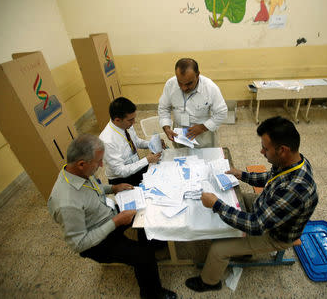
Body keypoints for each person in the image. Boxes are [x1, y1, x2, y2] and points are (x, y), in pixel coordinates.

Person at [185, 116, 318, 292]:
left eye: (265, 148)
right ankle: (244, 250)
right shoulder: (294, 161)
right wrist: (242, 175)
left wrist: (216, 205)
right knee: (231, 199)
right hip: (270, 206)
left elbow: (256, 225)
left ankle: (209, 282)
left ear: (283, 150)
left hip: (276, 234)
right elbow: (271, 177)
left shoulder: (294, 189)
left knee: (218, 249)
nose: (261, 151)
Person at [48, 134, 177, 299]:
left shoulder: (75, 172)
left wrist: (113, 188)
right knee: (143, 257)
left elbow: (94, 189)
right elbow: (79, 244)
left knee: (147, 210)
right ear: (81, 164)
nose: (102, 165)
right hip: (97, 241)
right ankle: (152, 294)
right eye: (99, 162)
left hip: (106, 214)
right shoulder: (67, 203)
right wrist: (116, 222)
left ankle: (155, 244)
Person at [158, 58, 228, 148]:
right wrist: (166, 128)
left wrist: (202, 127)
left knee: (204, 160)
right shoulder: (170, 85)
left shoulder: (210, 87)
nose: (184, 88)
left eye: (188, 84)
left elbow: (221, 113)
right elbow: (164, 108)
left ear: (197, 75)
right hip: (179, 135)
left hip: (203, 136)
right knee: (182, 159)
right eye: (180, 83)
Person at [100, 97, 163, 186]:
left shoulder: (126, 125)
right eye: (130, 120)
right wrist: (146, 160)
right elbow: (120, 171)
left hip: (135, 166)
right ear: (117, 120)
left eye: (134, 118)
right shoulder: (107, 141)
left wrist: (152, 144)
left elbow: (136, 142)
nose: (134, 122)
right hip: (122, 179)